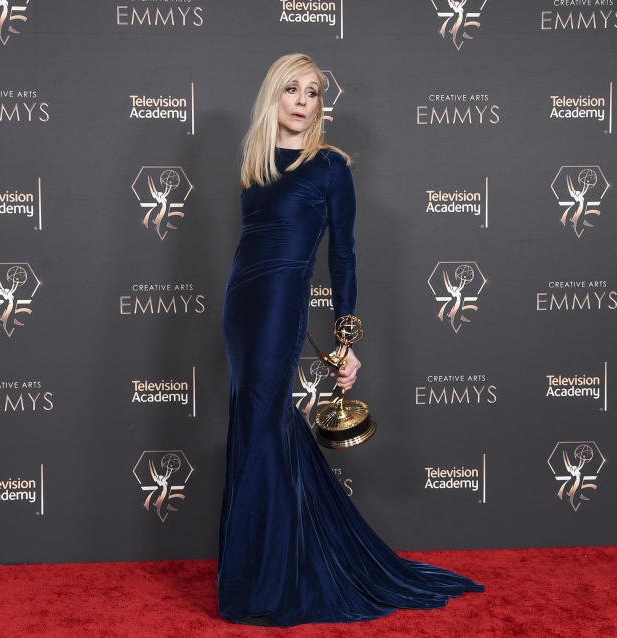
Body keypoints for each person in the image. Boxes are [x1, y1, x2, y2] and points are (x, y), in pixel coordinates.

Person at [218, 52, 484, 627]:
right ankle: (260, 569)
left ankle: (272, 582)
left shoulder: (330, 167)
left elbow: (342, 255)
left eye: (312, 93)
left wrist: (345, 335)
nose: (302, 101)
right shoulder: (256, 161)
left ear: (320, 105)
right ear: (273, 96)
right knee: (255, 424)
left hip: (282, 307)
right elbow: (254, 245)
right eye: (291, 89)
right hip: (241, 305)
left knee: (266, 426)